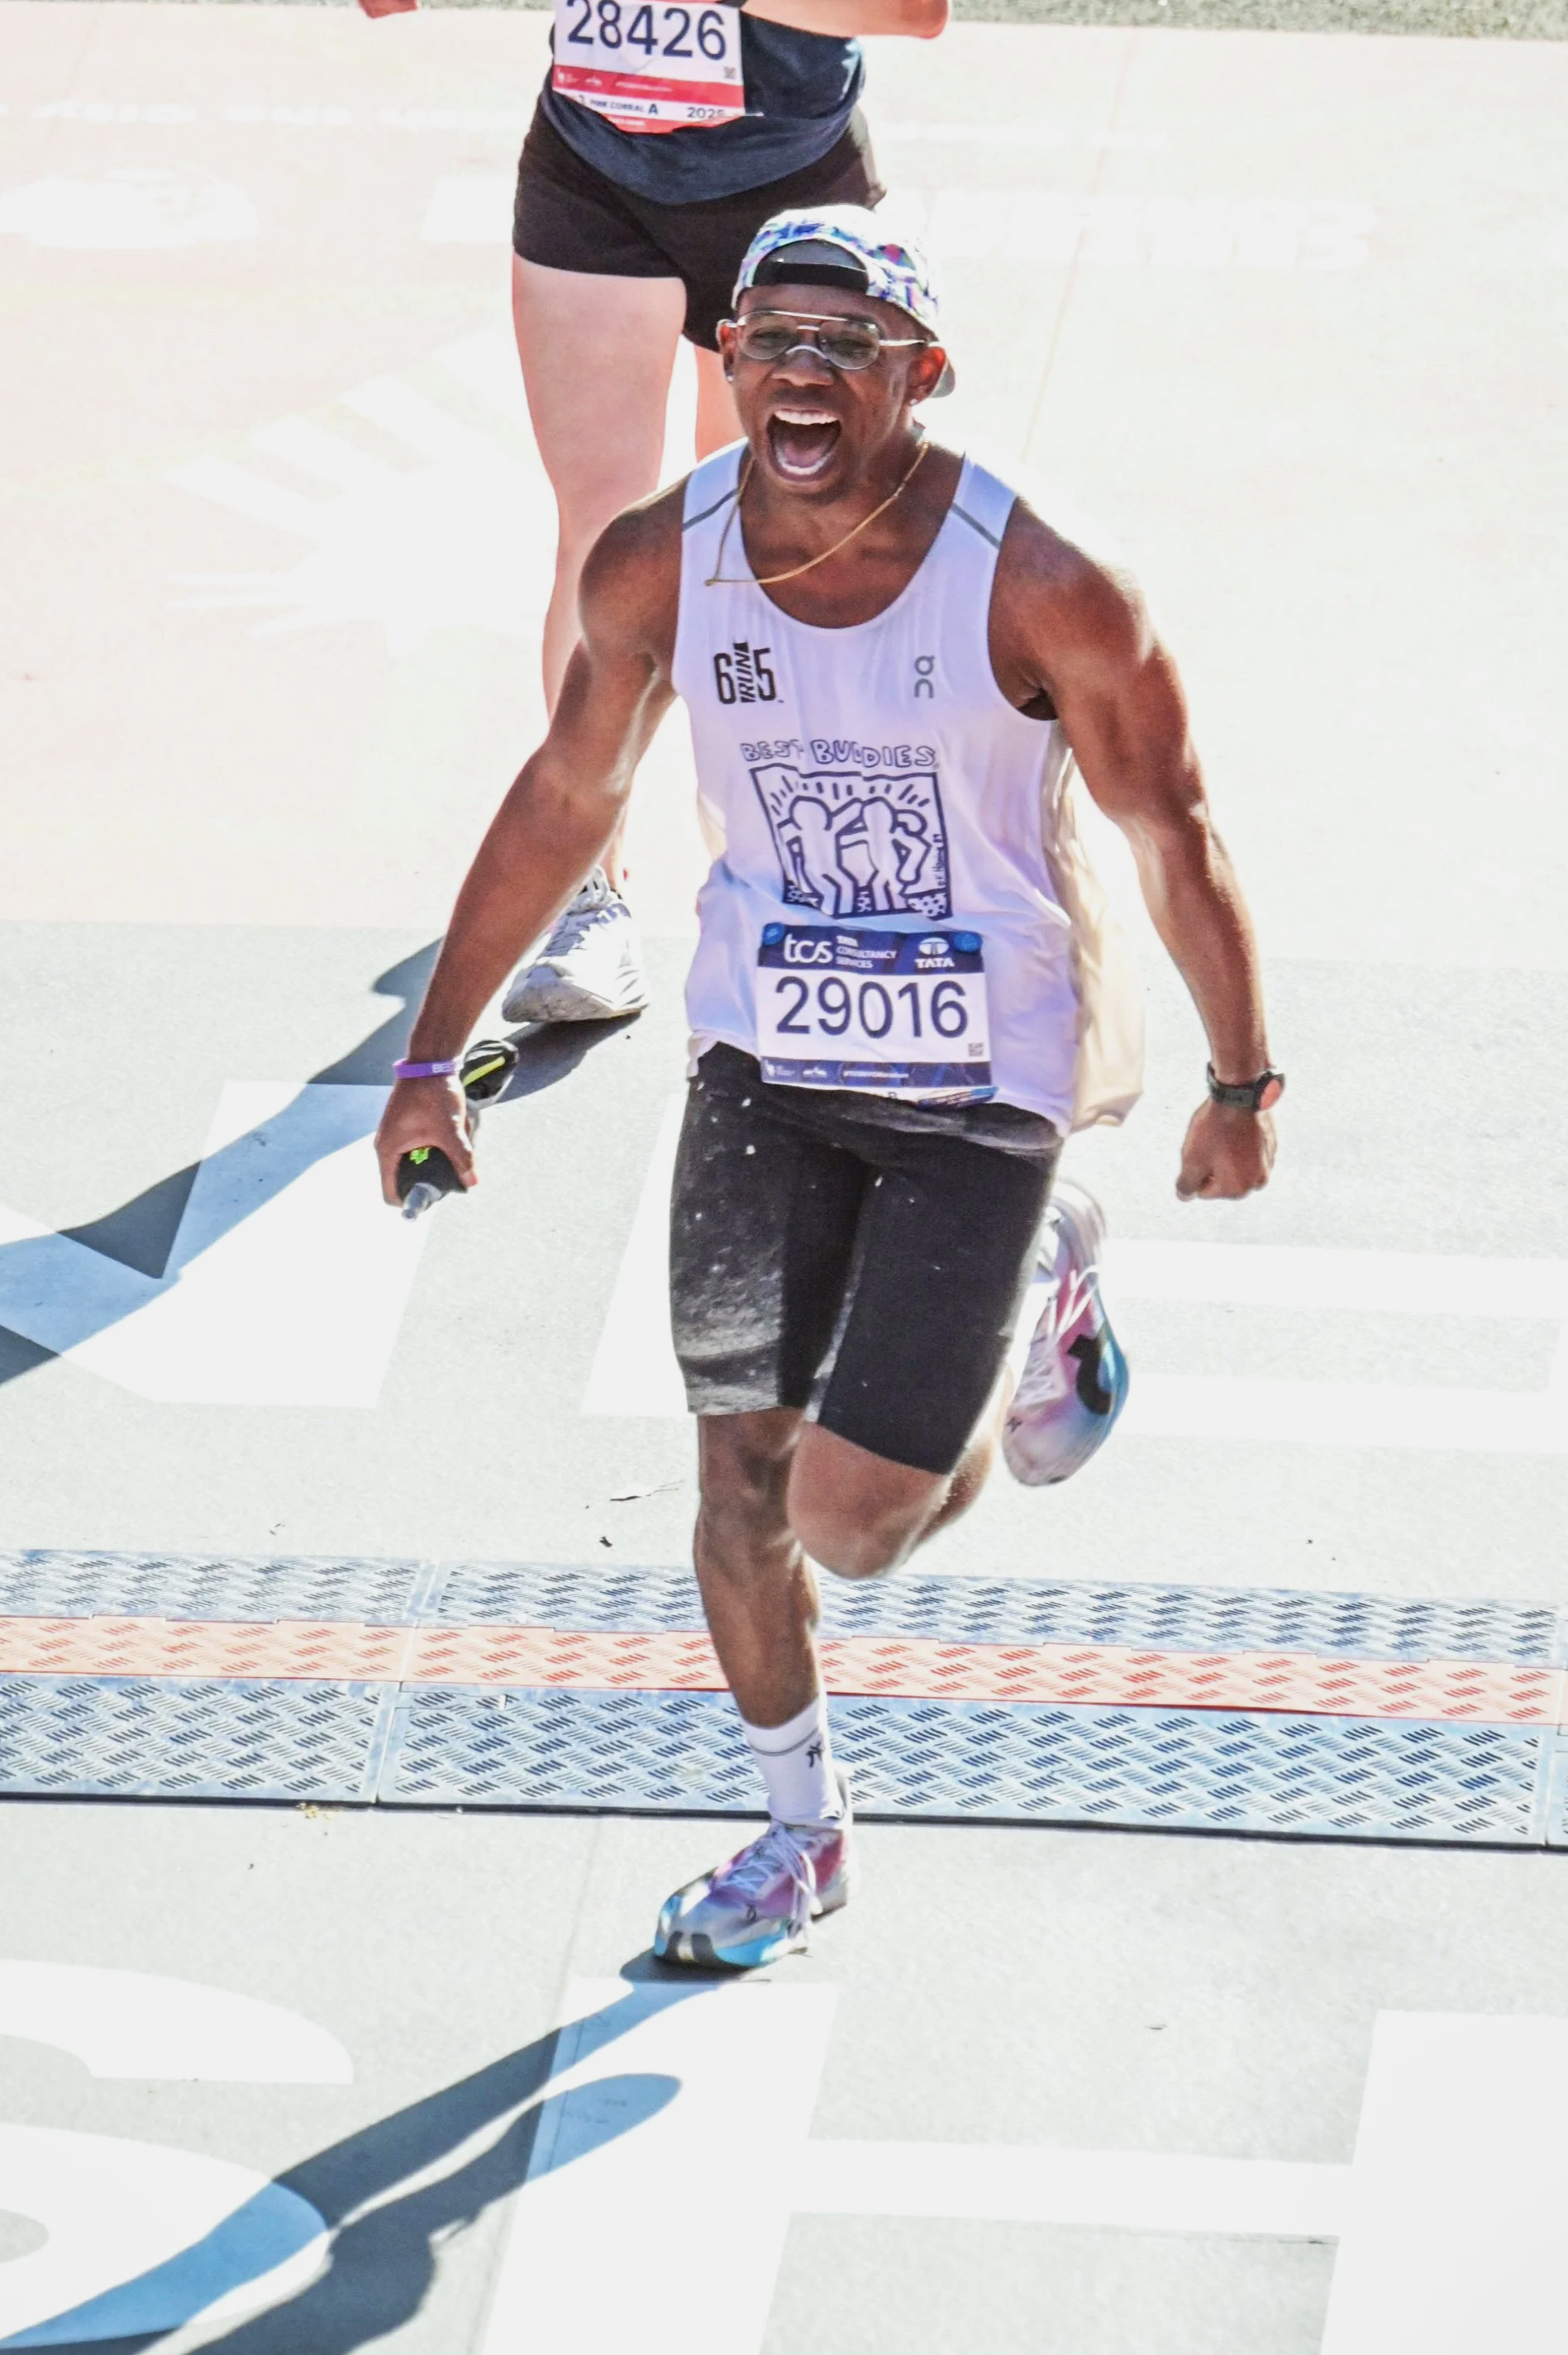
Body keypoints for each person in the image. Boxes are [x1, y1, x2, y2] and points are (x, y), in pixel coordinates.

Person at [374, 207, 1284, 1970]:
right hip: (764, 1062)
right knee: (734, 1482)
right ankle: (799, 1833)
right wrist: (430, 1052)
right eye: (767, 338)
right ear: (725, 369)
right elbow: (569, 796)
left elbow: (1173, 830)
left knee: (850, 1529)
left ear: (919, 374)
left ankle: (1042, 1268)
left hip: (983, 1069)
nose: (799, 367)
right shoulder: (658, 562)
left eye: (843, 342)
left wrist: (1240, 1076)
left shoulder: (1045, 581)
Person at [358, 0, 946, 1027]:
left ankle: (789, 882)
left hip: (787, 186)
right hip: (592, 171)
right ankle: (588, 900)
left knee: (774, 534)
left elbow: (911, 13)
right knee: (604, 537)